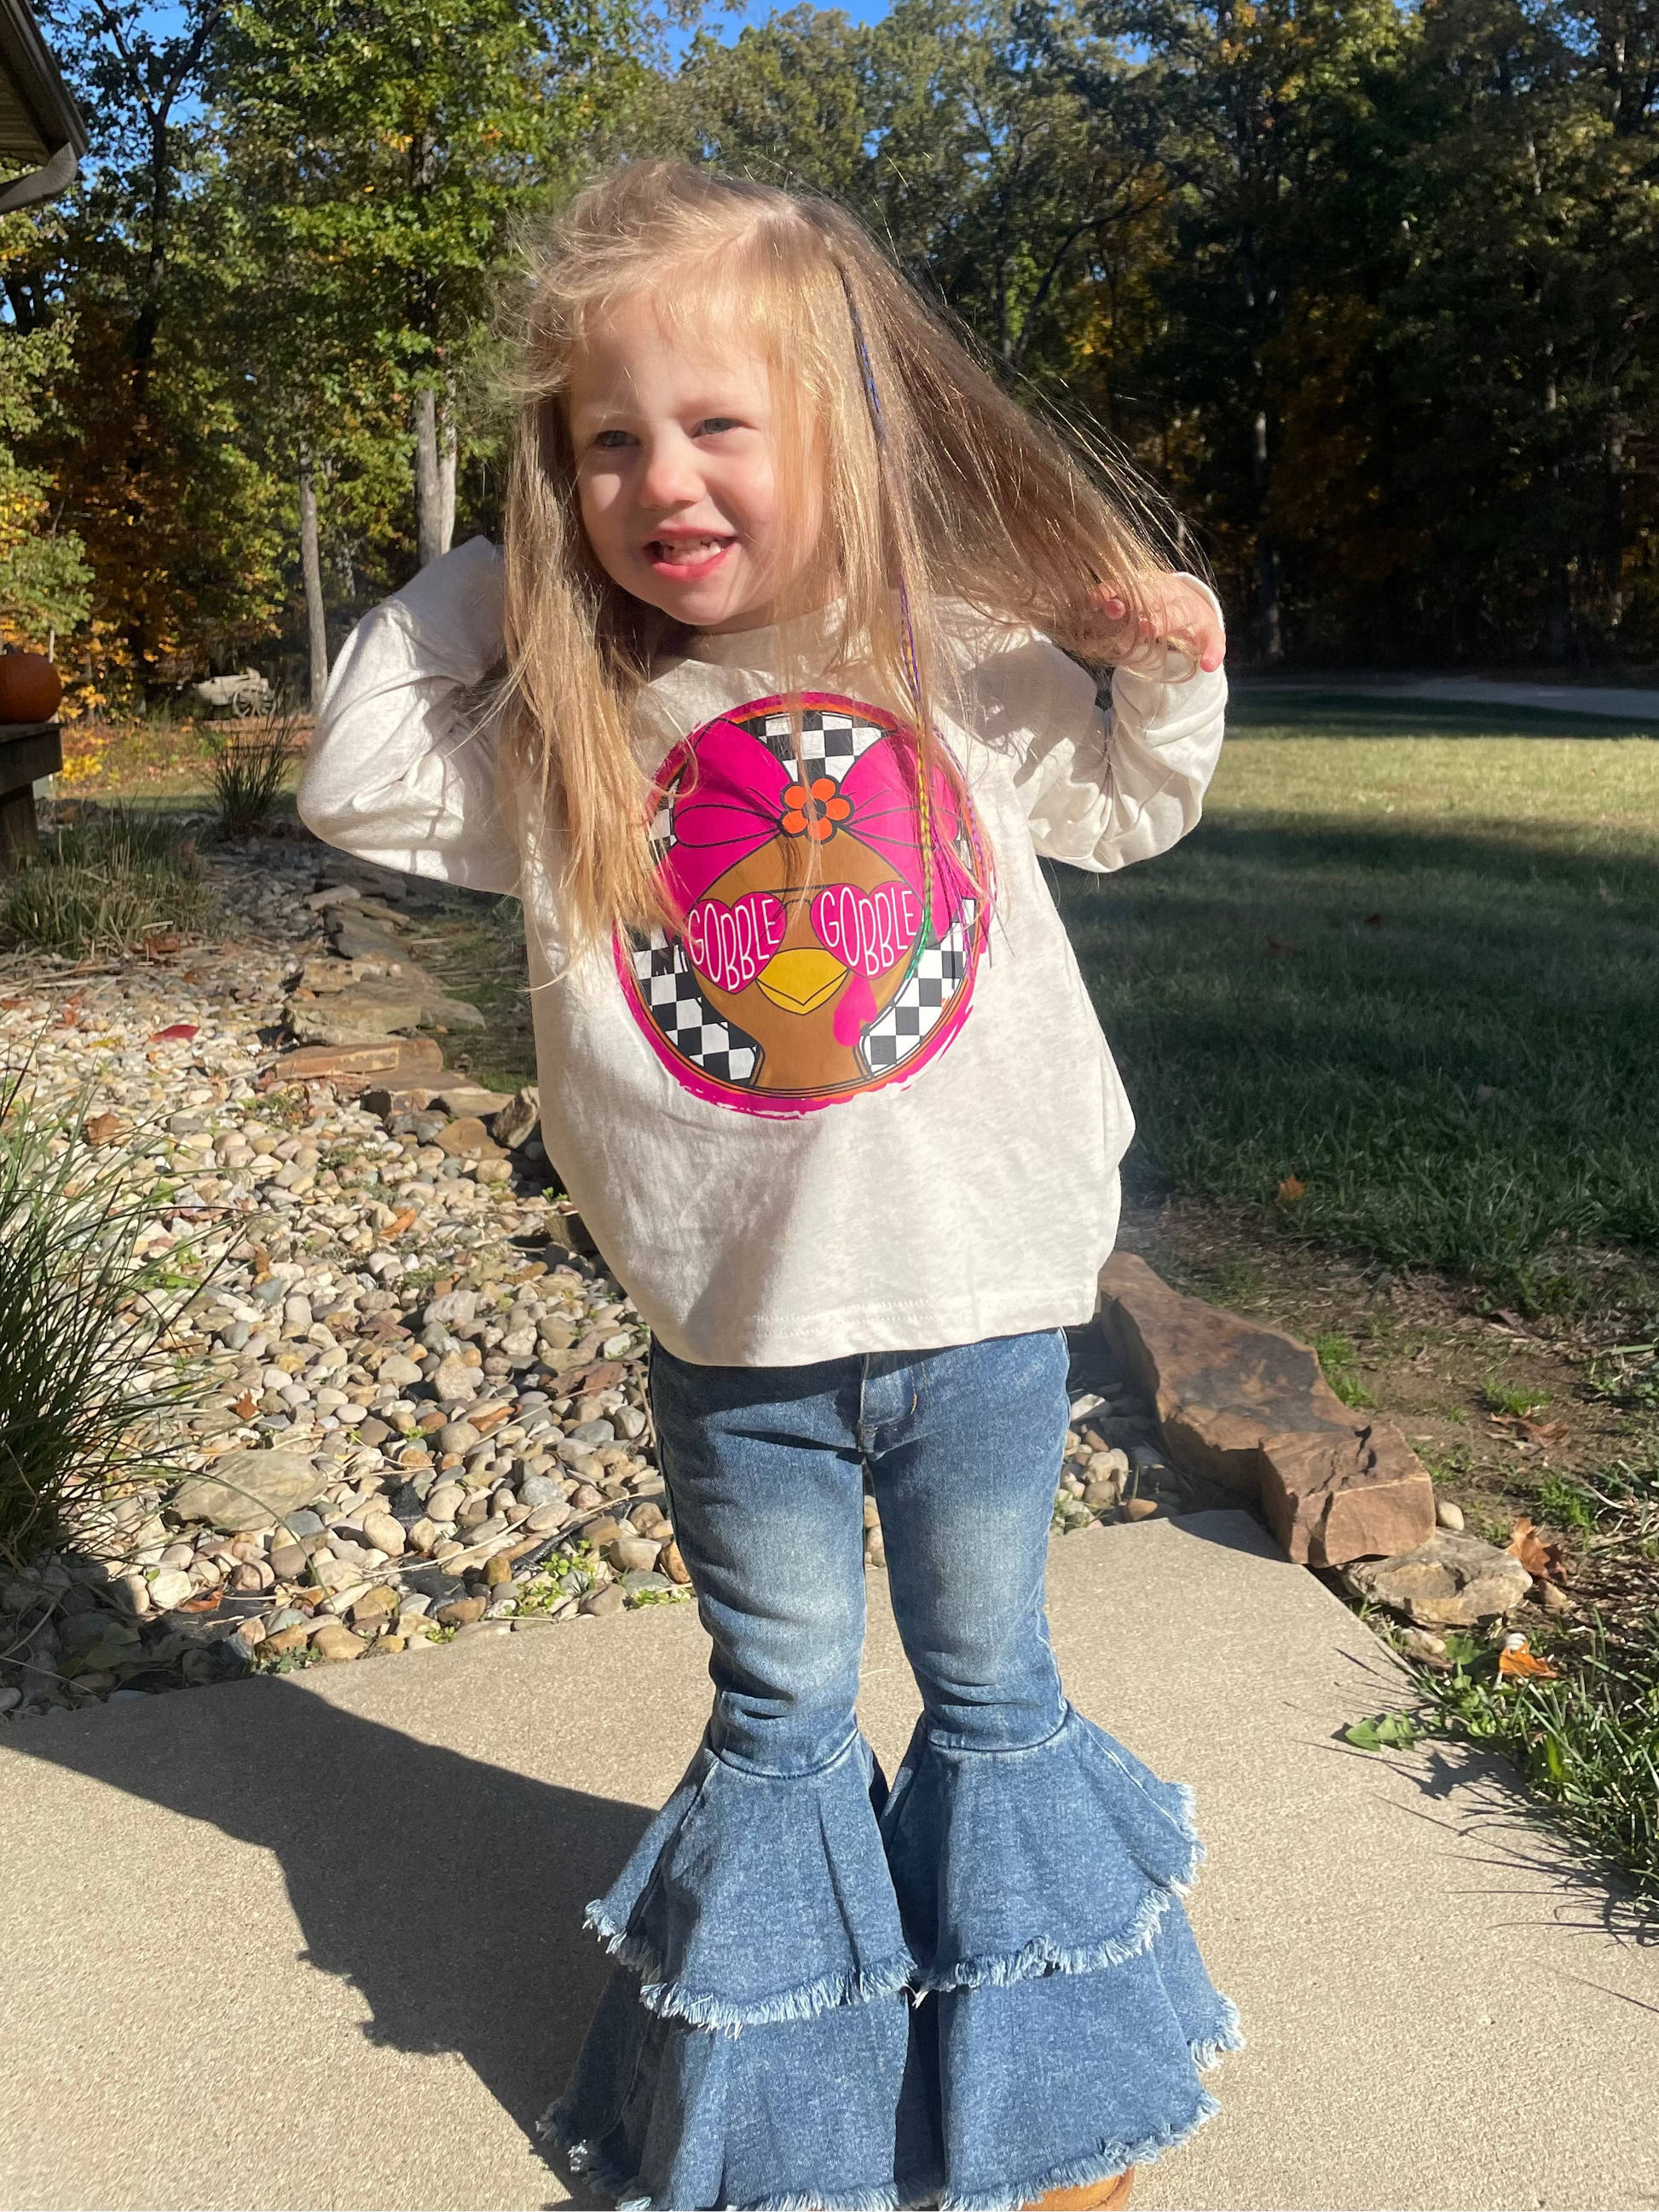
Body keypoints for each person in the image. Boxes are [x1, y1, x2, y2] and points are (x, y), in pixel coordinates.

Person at [299, 160, 1240, 2212]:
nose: (661, 477)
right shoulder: (574, 715)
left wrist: (1164, 662)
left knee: (994, 1690)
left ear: (841, 429)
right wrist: (496, 563)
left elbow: (1127, 801)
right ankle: (795, 2135)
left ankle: (1051, 2105)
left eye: (718, 423)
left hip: (979, 1294)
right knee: (785, 1710)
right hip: (734, 1342)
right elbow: (354, 774)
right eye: (605, 440)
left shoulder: (949, 648)